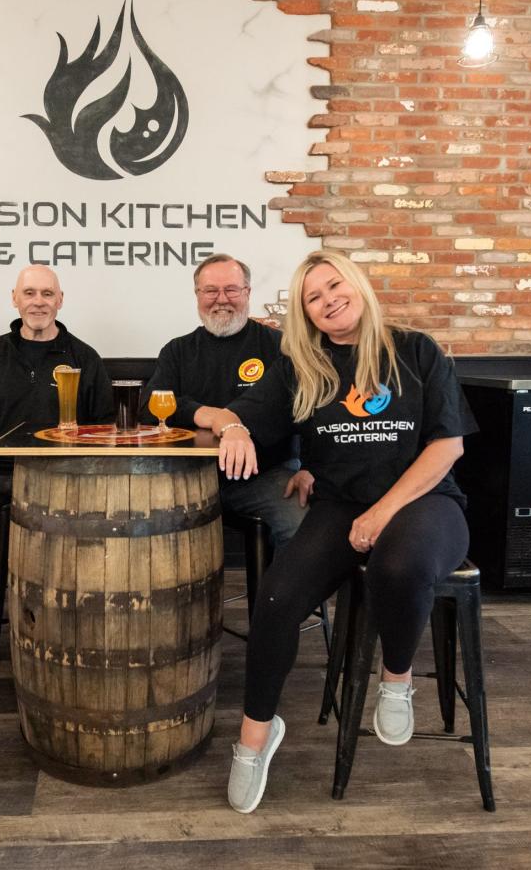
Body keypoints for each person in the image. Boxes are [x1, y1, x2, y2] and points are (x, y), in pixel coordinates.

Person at [199, 250, 477, 813]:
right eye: (313, 297)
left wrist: (381, 512)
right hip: (337, 505)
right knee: (276, 598)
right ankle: (256, 738)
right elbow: (231, 413)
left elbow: (448, 444)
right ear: (307, 315)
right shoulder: (303, 366)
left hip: (426, 501)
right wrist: (231, 428)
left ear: (358, 285)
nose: (328, 300)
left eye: (334, 285)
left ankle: (396, 677)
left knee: (399, 566)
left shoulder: (414, 350)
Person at [0, 264, 113, 677]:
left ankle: (62, 634)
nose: (38, 302)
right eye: (29, 293)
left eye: (47, 294)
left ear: (60, 301)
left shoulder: (84, 358)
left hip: (60, 481)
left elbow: (102, 427)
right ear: (15, 299)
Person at [141, 253, 307, 547]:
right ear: (197, 295)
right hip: (188, 478)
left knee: (301, 526)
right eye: (210, 291)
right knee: (138, 525)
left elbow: (307, 412)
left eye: (231, 289)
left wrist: (310, 468)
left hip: (266, 476)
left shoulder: (280, 346)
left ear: (247, 293)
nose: (221, 299)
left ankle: (280, 595)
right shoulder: (177, 351)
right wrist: (213, 417)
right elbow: (149, 406)